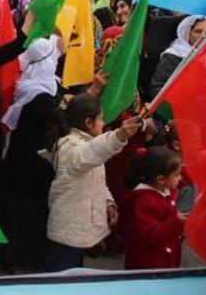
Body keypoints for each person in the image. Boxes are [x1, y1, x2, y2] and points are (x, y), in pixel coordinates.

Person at [44, 92, 142, 271]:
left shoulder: (86, 143)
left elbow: (96, 180)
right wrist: (119, 135)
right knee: (60, 280)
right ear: (88, 123)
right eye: (100, 119)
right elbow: (89, 154)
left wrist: (108, 201)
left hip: (77, 231)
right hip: (67, 231)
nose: (104, 124)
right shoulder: (70, 146)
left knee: (74, 277)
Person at [0, 36, 62, 272]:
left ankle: (14, 254)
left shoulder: (30, 83)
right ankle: (22, 257)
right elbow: (53, 115)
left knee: (20, 209)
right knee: (29, 211)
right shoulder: (41, 95)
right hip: (34, 160)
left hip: (21, 156)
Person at [122, 147, 186, 269]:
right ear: (161, 179)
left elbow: (184, 179)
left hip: (162, 257)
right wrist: (176, 221)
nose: (180, 178)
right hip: (150, 264)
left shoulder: (163, 188)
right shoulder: (145, 201)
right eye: (177, 175)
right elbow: (148, 235)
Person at [146, 16, 206, 100]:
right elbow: (156, 88)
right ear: (187, 33)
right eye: (198, 31)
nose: (203, 36)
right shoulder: (173, 56)